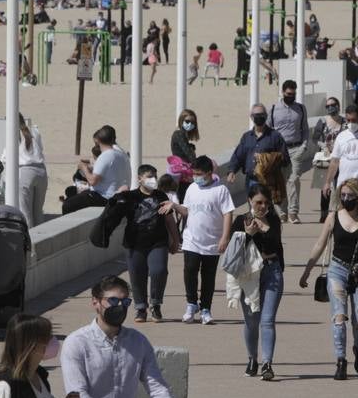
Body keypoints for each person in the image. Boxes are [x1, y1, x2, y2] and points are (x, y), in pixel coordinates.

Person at [298, 178, 358, 380]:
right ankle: (341, 360)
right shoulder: (334, 217)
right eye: (342, 195)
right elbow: (320, 243)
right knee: (339, 317)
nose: (346, 199)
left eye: (350, 196)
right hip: (337, 270)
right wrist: (307, 270)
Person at [161, 156, 233, 325]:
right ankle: (191, 304)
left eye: (199, 174)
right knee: (190, 270)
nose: (196, 177)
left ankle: (206, 309)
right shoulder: (192, 188)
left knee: (208, 276)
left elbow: (228, 213)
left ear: (209, 173)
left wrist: (225, 237)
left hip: (213, 242)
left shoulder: (221, 190)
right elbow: (186, 211)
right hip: (191, 240)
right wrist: (174, 206)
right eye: (194, 173)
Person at [100, 164, 171, 323]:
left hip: (158, 242)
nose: (153, 180)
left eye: (154, 177)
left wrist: (175, 239)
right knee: (137, 275)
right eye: (149, 177)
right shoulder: (131, 196)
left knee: (159, 270)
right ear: (139, 179)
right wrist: (117, 198)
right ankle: (141, 308)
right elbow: (114, 214)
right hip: (134, 244)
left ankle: (155, 304)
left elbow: (169, 219)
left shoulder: (161, 196)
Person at [230, 188, 284, 380]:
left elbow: (274, 244)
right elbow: (234, 251)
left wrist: (265, 228)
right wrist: (248, 234)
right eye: (258, 202)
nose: (262, 207)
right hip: (249, 276)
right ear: (249, 200)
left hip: (271, 272)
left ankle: (267, 363)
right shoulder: (240, 220)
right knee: (252, 321)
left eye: (266, 203)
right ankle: (252, 358)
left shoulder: (274, 220)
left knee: (267, 320)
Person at [224, 103, 288, 199]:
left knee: (269, 210)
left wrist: (267, 158)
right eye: (256, 115)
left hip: (269, 181)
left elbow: (285, 158)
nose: (259, 117)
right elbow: (238, 156)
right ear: (251, 117)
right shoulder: (246, 137)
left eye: (261, 115)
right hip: (251, 181)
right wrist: (232, 171)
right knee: (254, 211)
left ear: (266, 116)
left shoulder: (275, 136)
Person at [267, 80, 310, 224]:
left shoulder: (301, 109)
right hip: (278, 150)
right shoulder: (273, 109)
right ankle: (281, 213)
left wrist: (304, 146)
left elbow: (305, 129)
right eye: (289, 94)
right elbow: (267, 130)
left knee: (294, 180)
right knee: (279, 182)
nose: (292, 96)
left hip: (296, 149)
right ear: (283, 92)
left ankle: (293, 212)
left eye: (294, 94)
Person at [63, 126, 130, 214]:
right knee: (72, 193)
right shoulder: (121, 154)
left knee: (68, 205)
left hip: (105, 197)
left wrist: (83, 168)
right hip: (118, 194)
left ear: (97, 140)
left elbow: (92, 181)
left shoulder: (105, 156)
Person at [310, 97, 346, 220]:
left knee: (340, 185)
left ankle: (339, 211)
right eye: (328, 106)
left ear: (338, 106)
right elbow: (315, 138)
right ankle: (324, 214)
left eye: (333, 105)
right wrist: (324, 146)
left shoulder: (345, 122)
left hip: (341, 158)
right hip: (325, 159)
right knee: (325, 187)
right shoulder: (322, 121)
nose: (331, 107)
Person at [14, 116, 48, 227]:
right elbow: (40, 149)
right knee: (38, 212)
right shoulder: (35, 131)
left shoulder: (13, 134)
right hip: (41, 171)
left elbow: (5, 157)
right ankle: (40, 239)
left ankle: (30, 241)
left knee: (26, 213)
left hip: (25, 172)